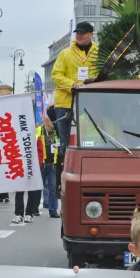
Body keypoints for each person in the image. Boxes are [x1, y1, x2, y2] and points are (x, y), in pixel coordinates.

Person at [52, 22, 99, 191]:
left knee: (89, 141)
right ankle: (61, 184)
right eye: (77, 32)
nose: (79, 35)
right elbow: (56, 75)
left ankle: (90, 176)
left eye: (83, 33)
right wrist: (72, 85)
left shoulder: (99, 53)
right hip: (65, 103)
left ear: (91, 35)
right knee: (65, 144)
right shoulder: (66, 53)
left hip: (90, 104)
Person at [38, 117, 59, 218]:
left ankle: (53, 210)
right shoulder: (39, 130)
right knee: (38, 187)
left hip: (52, 163)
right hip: (42, 163)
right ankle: (34, 208)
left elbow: (60, 144)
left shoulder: (55, 132)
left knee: (53, 188)